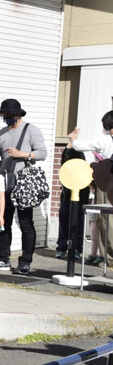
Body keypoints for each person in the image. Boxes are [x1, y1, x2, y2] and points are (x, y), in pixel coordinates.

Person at [0, 99, 47, 276]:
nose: (5, 119)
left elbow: (42, 153)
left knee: (25, 222)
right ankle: (3, 258)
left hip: (24, 183)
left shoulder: (31, 130)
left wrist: (23, 154)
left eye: (8, 116)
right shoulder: (1, 133)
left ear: (17, 115)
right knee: (3, 221)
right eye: (3, 116)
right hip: (5, 181)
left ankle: (25, 262)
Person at [66, 110, 113, 265]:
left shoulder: (106, 140)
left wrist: (73, 138)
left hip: (106, 181)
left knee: (104, 218)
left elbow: (80, 146)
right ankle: (103, 253)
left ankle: (107, 256)